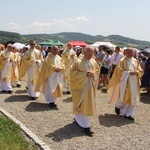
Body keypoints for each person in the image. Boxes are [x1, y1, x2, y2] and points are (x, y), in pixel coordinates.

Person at [70, 45, 99, 136]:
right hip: (80, 88)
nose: (90, 55)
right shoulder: (77, 62)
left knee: (85, 104)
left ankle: (78, 119)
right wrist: (85, 74)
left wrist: (93, 74)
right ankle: (86, 126)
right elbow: (73, 74)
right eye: (89, 53)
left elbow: (97, 71)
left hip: (90, 87)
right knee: (82, 104)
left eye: (92, 53)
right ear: (84, 52)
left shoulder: (93, 62)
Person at [108, 47, 143, 121]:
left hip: (134, 82)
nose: (131, 54)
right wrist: (129, 72)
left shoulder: (136, 61)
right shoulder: (122, 61)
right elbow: (119, 71)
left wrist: (137, 72)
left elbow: (140, 70)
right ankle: (118, 105)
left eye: (132, 52)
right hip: (126, 82)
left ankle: (128, 114)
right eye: (129, 52)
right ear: (125, 53)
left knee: (134, 98)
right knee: (124, 97)